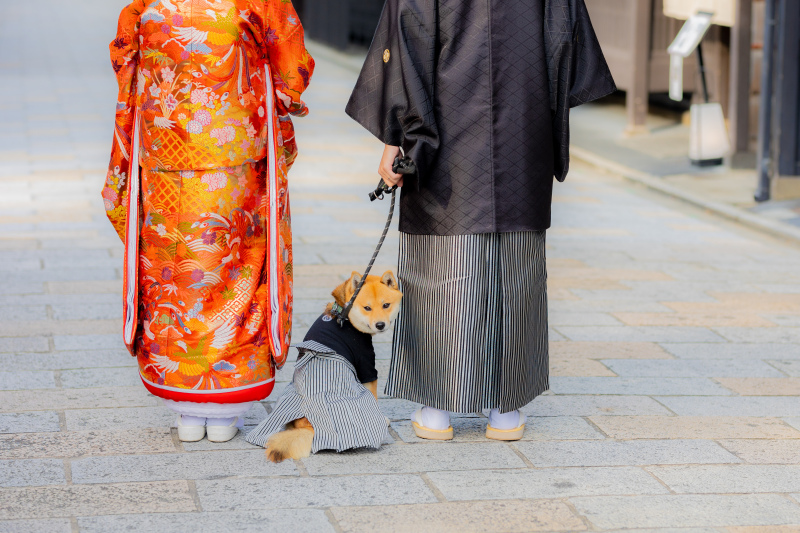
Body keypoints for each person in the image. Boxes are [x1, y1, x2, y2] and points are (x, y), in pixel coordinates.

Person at [346, 0, 615, 440]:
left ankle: (435, 411)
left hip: (445, 144)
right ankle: (506, 411)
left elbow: (408, 39)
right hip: (522, 130)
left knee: (440, 269)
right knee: (516, 268)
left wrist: (399, 137)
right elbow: (566, 38)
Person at [103, 0, 313, 442]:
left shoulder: (147, 4)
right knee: (234, 269)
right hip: (233, 160)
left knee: (172, 277)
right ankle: (227, 406)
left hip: (164, 160)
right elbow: (292, 64)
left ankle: (183, 404)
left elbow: (125, 53)